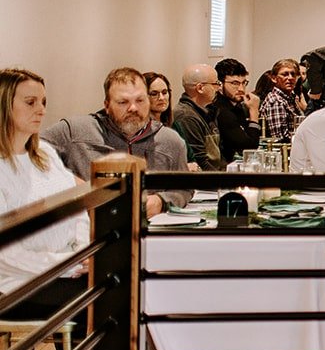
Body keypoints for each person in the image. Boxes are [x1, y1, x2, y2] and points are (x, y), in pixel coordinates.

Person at [44, 68, 189, 215]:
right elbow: (31, 151)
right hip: (86, 227)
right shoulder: (74, 131)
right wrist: (70, 180)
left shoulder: (171, 141)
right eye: (123, 102)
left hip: (148, 228)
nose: (133, 108)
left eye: (140, 100)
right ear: (107, 105)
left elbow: (184, 188)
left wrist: (161, 201)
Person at [0, 69, 89, 307]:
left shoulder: (46, 154)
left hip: (67, 267)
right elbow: (5, 256)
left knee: (121, 282)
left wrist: (83, 253)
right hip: (16, 282)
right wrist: (68, 264)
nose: (41, 110)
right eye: (30, 102)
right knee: (106, 296)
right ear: (4, 105)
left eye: (43, 102)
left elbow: (77, 208)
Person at [170, 63, 223, 170]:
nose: (218, 88)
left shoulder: (206, 110)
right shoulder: (186, 116)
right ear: (200, 88)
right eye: (215, 84)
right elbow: (200, 162)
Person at [210, 58, 261, 164]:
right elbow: (248, 149)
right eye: (235, 83)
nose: (241, 89)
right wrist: (254, 111)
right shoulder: (220, 110)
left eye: (244, 83)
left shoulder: (237, 105)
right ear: (220, 85)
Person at [259, 58, 304, 141]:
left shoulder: (290, 98)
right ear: (274, 78)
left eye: (293, 74)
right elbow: (279, 139)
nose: (290, 78)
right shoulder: (276, 101)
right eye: (285, 74)